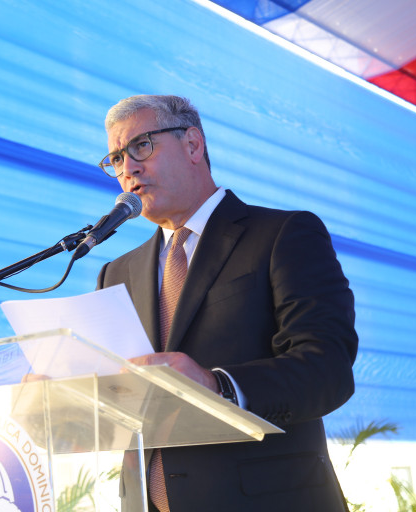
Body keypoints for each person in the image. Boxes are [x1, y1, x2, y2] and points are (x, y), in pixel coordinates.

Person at [95, 95, 358, 511]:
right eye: (116, 158)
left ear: (193, 144)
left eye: (141, 146)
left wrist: (218, 386)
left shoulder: (284, 234)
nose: (128, 168)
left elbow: (327, 368)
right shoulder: (116, 273)